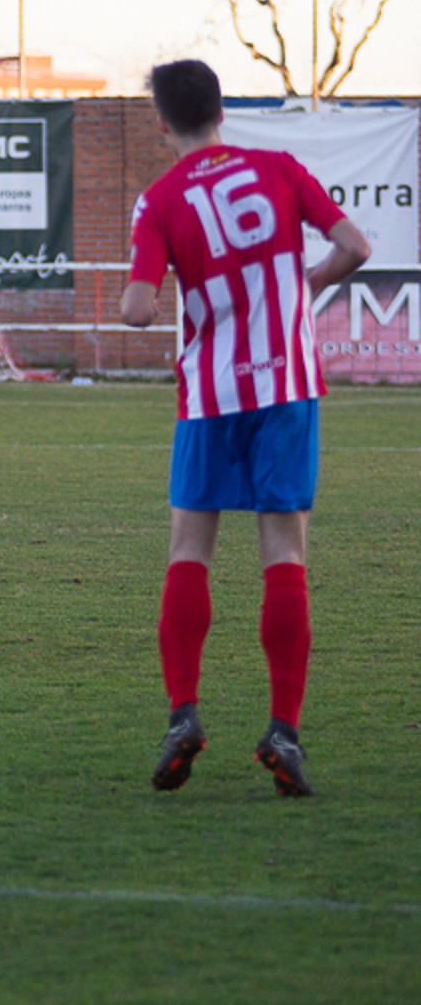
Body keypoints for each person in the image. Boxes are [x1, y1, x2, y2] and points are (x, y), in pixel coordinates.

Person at [121, 59, 370, 798]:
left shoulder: (161, 199)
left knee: (188, 550)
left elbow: (137, 309)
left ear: (162, 121)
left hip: (209, 395)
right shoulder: (280, 168)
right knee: (283, 553)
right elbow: (354, 245)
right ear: (222, 109)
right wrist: (306, 284)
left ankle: (183, 716)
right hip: (288, 389)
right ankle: (284, 732)